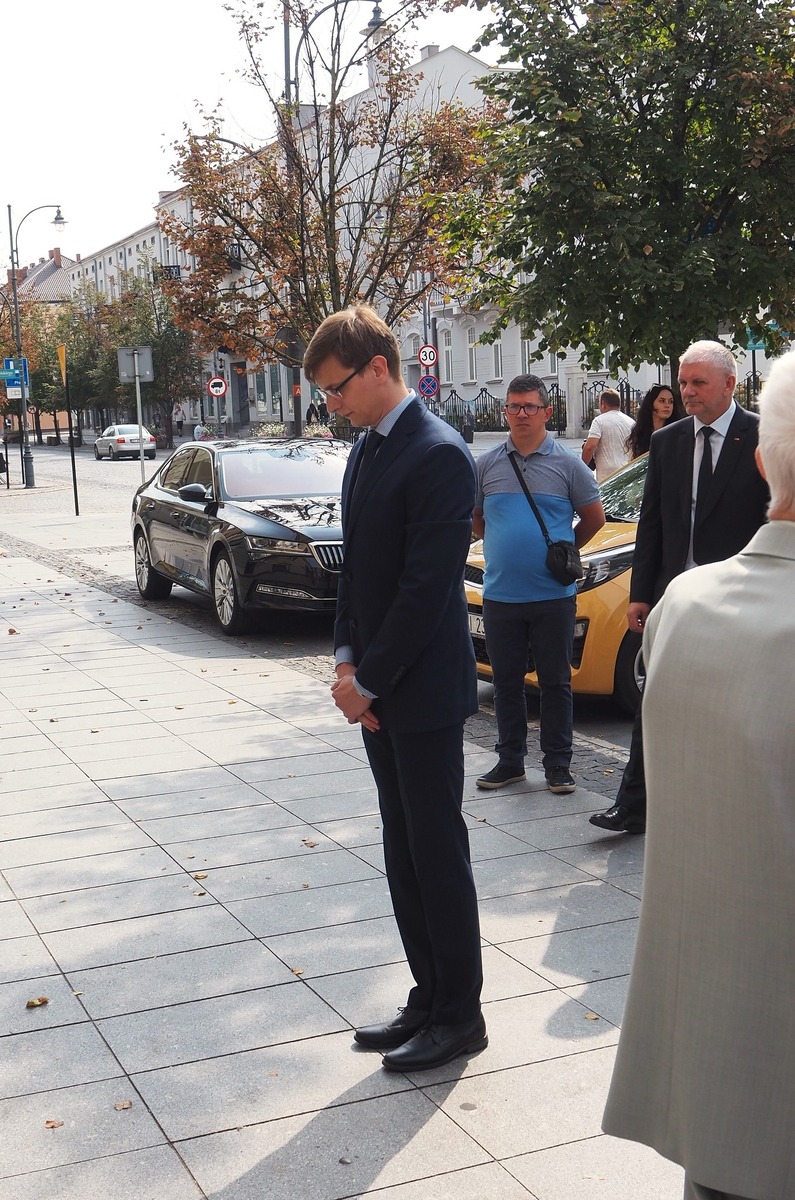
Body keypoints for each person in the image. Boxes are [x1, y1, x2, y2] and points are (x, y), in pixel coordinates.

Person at [602, 348, 795, 1200]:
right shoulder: (670, 448)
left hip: (713, 1084)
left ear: (761, 461)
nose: (685, 393)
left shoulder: (687, 612)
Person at [303, 304, 486, 1073]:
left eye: (337, 388)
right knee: (402, 850)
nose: (331, 404)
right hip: (376, 689)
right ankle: (428, 993)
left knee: (436, 853)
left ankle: (460, 1015)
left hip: (423, 693)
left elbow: (423, 590)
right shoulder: (366, 450)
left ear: (378, 368)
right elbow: (358, 573)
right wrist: (346, 662)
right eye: (324, 393)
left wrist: (370, 681)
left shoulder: (437, 453)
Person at [589, 340, 769, 835]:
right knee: (655, 698)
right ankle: (633, 805)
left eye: (698, 383)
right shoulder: (668, 442)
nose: (687, 391)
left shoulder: (763, 436)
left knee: (729, 706)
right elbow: (652, 523)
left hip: (738, 598)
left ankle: (724, 804)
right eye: (683, 382)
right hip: (674, 596)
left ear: (730, 384)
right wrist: (641, 593)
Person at [474, 374, 605, 794]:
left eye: (530, 406)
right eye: (514, 406)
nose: (521, 414)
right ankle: (510, 760)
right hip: (500, 595)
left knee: (555, 683)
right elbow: (476, 519)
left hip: (553, 595)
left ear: (547, 412)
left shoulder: (568, 465)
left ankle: (558, 765)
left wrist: (563, 553)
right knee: (506, 683)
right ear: (505, 412)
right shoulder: (486, 465)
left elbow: (594, 519)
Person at [581, 387, 636, 482]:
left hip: (607, 476)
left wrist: (582, 468)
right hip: (627, 472)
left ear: (603, 403)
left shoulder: (599, 421)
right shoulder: (631, 422)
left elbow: (590, 447)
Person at [625, 383, 685, 460]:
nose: (667, 405)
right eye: (662, 401)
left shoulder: (679, 434)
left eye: (671, 401)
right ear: (651, 404)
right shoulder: (639, 434)